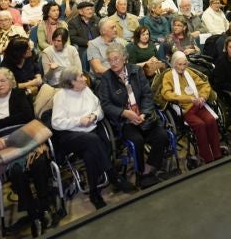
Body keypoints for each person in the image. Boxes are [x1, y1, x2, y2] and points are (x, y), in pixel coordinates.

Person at [0, 69, 57, 235]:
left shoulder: (20, 95)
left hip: (26, 138)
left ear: (10, 82)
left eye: (2, 81)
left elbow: (27, 116)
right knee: (16, 172)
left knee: (39, 163)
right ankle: (33, 214)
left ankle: (44, 205)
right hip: (3, 145)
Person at [51, 69, 134, 209]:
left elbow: (100, 109)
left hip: (91, 131)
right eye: (80, 77)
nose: (85, 79)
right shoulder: (61, 96)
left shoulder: (86, 90)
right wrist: (79, 121)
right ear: (71, 83)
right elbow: (56, 123)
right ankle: (113, 175)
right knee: (93, 140)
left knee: (90, 152)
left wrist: (94, 116)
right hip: (71, 135)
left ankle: (94, 193)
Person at [97, 43, 168, 188]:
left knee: (162, 136)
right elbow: (105, 104)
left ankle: (149, 168)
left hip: (143, 116)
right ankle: (140, 172)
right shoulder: (106, 78)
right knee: (137, 140)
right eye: (110, 60)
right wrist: (124, 113)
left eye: (116, 59)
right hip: (125, 122)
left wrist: (144, 113)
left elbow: (147, 95)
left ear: (124, 58)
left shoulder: (136, 71)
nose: (113, 63)